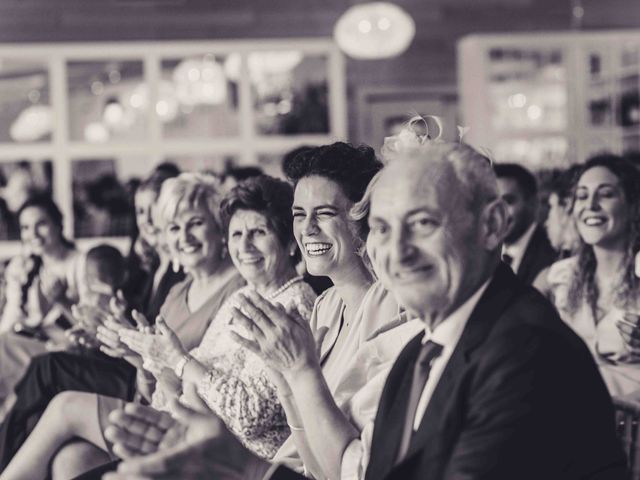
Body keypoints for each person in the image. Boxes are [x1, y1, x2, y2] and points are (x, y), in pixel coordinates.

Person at [107, 126, 627, 480]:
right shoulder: (425, 346)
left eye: (422, 223)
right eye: (381, 226)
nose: (395, 252)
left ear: (492, 226)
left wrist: (240, 467)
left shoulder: (521, 350)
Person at [103, 142, 422, 480]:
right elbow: (301, 444)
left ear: (363, 219)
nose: (309, 228)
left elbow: (348, 465)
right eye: (300, 215)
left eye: (325, 213)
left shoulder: (393, 310)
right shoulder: (326, 306)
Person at [0, 172, 243, 477]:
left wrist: (136, 350)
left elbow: (212, 386)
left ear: (220, 229)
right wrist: (126, 347)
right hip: (156, 405)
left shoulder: (236, 289)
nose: (185, 237)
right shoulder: (178, 292)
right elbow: (150, 379)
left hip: (189, 422)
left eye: (195, 223)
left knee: (63, 404)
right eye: (174, 228)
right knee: (69, 460)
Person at [115, 175, 317, 460]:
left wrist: (180, 361)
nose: (244, 247)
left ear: (290, 242)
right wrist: (156, 357)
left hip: (236, 463)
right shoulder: (242, 298)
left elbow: (246, 415)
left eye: (258, 232)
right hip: (187, 440)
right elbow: (175, 390)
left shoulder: (294, 306)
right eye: (236, 234)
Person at [535, 155, 640, 396]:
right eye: (582, 196)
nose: (590, 205)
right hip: (576, 420)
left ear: (633, 205)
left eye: (605, 194)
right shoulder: (559, 277)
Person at [0, 196, 81, 406]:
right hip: (27, 344)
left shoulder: (79, 264)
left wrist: (61, 300)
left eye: (41, 224)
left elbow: (90, 327)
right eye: (26, 227)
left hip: (65, 349)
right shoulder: (21, 266)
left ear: (58, 224)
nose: (32, 234)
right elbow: (11, 318)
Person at [495, 163, 557, 284]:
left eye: (508, 201)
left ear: (533, 203)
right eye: (491, 201)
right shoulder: (480, 255)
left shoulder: (553, 256)